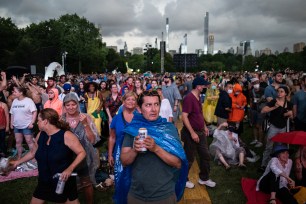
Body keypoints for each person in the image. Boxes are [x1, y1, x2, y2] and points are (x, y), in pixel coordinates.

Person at [120, 90, 188, 203]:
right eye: (148, 105)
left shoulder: (168, 129)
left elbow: (178, 163)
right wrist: (135, 150)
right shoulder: (133, 129)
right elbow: (124, 161)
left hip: (164, 195)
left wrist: (156, 148)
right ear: (139, 108)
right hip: (137, 195)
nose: (153, 109)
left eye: (156, 104)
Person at [10, 108, 86, 204]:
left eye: (39, 120)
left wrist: (70, 169)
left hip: (62, 180)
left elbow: (82, 153)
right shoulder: (41, 135)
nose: (37, 123)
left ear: (45, 121)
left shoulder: (66, 136)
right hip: (44, 179)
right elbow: (33, 152)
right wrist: (18, 162)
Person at [62, 93, 100, 204]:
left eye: (73, 104)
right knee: (68, 181)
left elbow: (93, 140)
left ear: (77, 104)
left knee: (86, 182)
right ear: (64, 106)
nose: (70, 107)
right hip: (67, 156)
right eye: (67, 105)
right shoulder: (61, 120)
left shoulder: (85, 117)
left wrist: (85, 124)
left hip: (85, 155)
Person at [181, 77, 216, 189]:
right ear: (198, 86)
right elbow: (184, 116)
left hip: (200, 132)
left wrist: (204, 126)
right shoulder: (189, 98)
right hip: (191, 133)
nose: (206, 87)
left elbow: (199, 114)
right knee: (189, 158)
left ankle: (204, 178)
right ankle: (183, 180)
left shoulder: (198, 97)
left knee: (205, 156)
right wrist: (192, 133)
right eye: (204, 85)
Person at [108, 91, 138, 204]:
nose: (131, 102)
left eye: (133, 99)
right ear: (123, 102)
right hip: (119, 152)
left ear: (136, 102)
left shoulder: (140, 118)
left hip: (137, 151)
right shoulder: (117, 118)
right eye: (128, 99)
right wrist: (110, 154)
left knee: (134, 179)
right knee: (120, 179)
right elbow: (112, 137)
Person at [260, 86, 293, 170]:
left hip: (283, 127)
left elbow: (292, 115)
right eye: (278, 91)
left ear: (285, 93)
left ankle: (277, 164)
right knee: (269, 146)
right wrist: (274, 107)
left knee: (279, 147)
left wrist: (289, 114)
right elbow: (263, 110)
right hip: (273, 127)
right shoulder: (274, 101)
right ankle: (264, 165)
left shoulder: (288, 103)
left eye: (281, 91)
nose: (279, 93)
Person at [10, 86, 37, 159]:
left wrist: (32, 123)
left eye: (15, 92)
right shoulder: (15, 101)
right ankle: (19, 156)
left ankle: (34, 157)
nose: (13, 93)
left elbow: (34, 112)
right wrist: (11, 123)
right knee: (18, 142)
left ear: (21, 93)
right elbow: (12, 113)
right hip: (17, 126)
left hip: (26, 125)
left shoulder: (29, 101)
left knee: (29, 141)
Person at [249, 78, 265, 147]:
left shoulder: (263, 90)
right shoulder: (251, 92)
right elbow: (250, 101)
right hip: (254, 109)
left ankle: (260, 141)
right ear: (252, 84)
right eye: (255, 83)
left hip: (261, 110)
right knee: (254, 125)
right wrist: (250, 109)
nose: (256, 84)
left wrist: (261, 100)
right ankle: (255, 139)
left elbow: (266, 99)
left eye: (257, 82)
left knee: (259, 126)